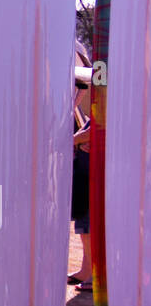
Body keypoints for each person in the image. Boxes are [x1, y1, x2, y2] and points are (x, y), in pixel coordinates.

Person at [70, 88, 92, 292]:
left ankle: (93, 276)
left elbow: (96, 133)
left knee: (91, 227)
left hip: (95, 178)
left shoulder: (108, 107)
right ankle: (86, 271)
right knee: (85, 227)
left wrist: (77, 140)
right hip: (86, 176)